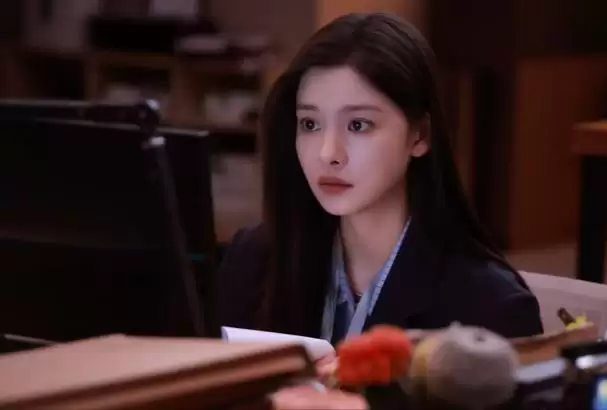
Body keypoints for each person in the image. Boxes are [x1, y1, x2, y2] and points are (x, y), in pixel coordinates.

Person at [209, 12, 543, 346]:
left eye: (358, 125)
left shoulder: (489, 306)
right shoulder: (253, 260)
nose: (328, 153)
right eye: (310, 124)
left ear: (420, 135)